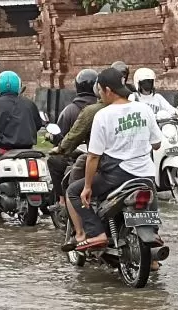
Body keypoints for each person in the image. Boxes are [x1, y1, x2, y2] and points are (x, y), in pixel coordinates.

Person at [61, 67, 161, 251]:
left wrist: (88, 187)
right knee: (150, 197)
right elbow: (157, 144)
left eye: (100, 90)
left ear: (107, 90)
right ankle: (152, 250)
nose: (99, 94)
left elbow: (93, 157)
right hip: (146, 173)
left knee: (74, 192)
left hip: (118, 174)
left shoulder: (103, 115)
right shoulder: (144, 108)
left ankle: (96, 233)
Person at [0, 70, 44, 197]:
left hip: (4, 148)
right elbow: (38, 125)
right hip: (27, 147)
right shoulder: (29, 103)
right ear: (18, 85)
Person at [48, 68, 99, 203]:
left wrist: (59, 146)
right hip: (105, 157)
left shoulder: (71, 110)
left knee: (53, 161)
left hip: (85, 154)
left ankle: (61, 200)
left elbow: (65, 138)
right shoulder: (104, 108)